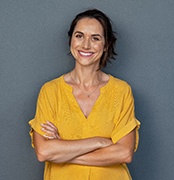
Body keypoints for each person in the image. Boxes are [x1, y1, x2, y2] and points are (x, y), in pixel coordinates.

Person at [29, 8, 140, 180]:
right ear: (71, 40)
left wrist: (63, 149)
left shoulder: (121, 91)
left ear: (106, 45)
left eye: (95, 38)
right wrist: (99, 142)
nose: (86, 45)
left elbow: (124, 153)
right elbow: (43, 152)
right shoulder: (50, 91)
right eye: (79, 36)